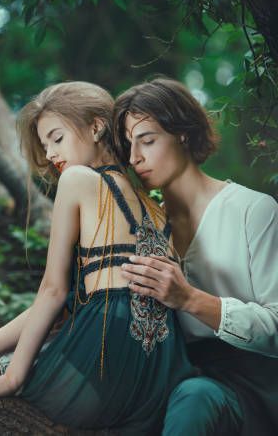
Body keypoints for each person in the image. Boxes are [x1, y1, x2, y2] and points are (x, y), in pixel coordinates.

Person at [0, 81, 195, 434]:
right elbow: (65, 303)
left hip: (108, 343)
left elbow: (53, 292)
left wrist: (11, 379)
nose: (50, 154)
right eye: (45, 146)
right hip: (160, 364)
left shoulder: (78, 179)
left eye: (56, 138)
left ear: (96, 126)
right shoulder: (157, 206)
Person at [114, 77, 278, 435]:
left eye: (148, 140)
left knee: (195, 396)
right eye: (128, 145)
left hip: (254, 389)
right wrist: (2, 363)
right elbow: (91, 313)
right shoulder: (142, 227)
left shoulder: (254, 210)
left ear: (183, 134)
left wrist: (188, 298)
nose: (134, 158)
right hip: (167, 379)